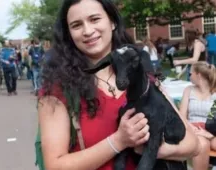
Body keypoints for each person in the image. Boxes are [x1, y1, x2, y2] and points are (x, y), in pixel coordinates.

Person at [38, 0, 200, 170]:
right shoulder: (57, 90)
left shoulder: (144, 78)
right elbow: (54, 165)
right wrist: (119, 141)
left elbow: (192, 144)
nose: (87, 31)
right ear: (69, 33)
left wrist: (149, 150)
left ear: (112, 22)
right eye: (77, 25)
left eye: (94, 19)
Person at [179, 61, 216, 170]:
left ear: (198, 75)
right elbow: (182, 116)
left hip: (211, 129)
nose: (189, 76)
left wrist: (210, 134)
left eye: (190, 74)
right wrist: (192, 128)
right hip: (192, 128)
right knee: (201, 143)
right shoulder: (189, 90)